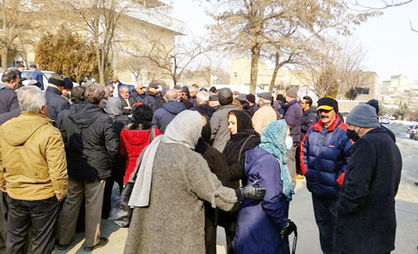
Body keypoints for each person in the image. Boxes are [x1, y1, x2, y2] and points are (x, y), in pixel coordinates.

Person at [123, 110, 265, 254]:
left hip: (149, 221)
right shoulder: (190, 159)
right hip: (179, 228)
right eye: (198, 131)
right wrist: (242, 193)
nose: (199, 135)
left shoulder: (152, 148)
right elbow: (214, 192)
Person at [0, 86, 68, 254]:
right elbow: (58, 170)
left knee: (15, 238)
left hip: (15, 191)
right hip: (42, 194)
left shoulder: (5, 128)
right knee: (42, 241)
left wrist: (4, 184)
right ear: (42, 108)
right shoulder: (50, 132)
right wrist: (60, 193)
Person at [57, 83, 118, 251]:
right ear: (101, 100)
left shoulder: (66, 114)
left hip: (78, 165)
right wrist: (107, 164)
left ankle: (64, 238)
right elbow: (112, 148)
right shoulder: (103, 118)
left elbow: (61, 139)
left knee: (71, 203)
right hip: (93, 168)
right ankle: (91, 241)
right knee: (93, 205)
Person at [336, 104, 402, 254]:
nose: (349, 129)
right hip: (382, 227)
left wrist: (341, 209)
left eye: (351, 124)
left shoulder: (366, 144)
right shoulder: (389, 142)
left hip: (362, 231)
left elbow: (356, 188)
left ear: (360, 124)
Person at [233, 120, 295, 254]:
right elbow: (270, 199)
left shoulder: (261, 153)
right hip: (261, 227)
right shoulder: (269, 161)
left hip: (254, 222)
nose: (290, 139)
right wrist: (284, 223)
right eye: (287, 135)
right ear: (277, 136)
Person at [300, 97, 352, 254]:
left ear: (334, 112)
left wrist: (339, 180)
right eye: (320, 111)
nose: (323, 114)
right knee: (323, 229)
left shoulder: (344, 132)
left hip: (336, 193)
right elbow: (303, 151)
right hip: (317, 191)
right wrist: (307, 173)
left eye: (326, 111)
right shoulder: (312, 130)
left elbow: (352, 159)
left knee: (338, 231)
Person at [221, 110, 260, 253]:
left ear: (242, 122)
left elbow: (245, 166)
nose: (230, 127)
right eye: (229, 123)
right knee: (230, 234)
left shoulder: (252, 141)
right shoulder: (233, 139)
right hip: (230, 193)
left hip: (243, 195)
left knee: (240, 237)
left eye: (233, 123)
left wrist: (222, 172)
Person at [120, 104, 162, 185]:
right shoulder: (155, 132)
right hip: (148, 172)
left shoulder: (124, 131)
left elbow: (122, 152)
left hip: (130, 171)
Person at [283, 88, 303, 186]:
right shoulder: (297, 106)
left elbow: (288, 123)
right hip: (295, 136)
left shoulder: (292, 108)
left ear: (289, 96)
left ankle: (291, 182)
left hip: (291, 137)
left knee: (289, 160)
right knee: (291, 160)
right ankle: (292, 180)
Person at [210, 88, 236, 152]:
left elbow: (211, 133)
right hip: (235, 149)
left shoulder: (217, 115)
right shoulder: (241, 112)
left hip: (219, 149)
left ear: (219, 100)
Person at [298, 96, 318, 178]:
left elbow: (310, 127)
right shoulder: (303, 113)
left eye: (302, 103)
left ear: (308, 104)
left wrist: (299, 127)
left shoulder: (311, 115)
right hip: (300, 137)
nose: (300, 104)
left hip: (305, 138)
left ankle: (302, 172)